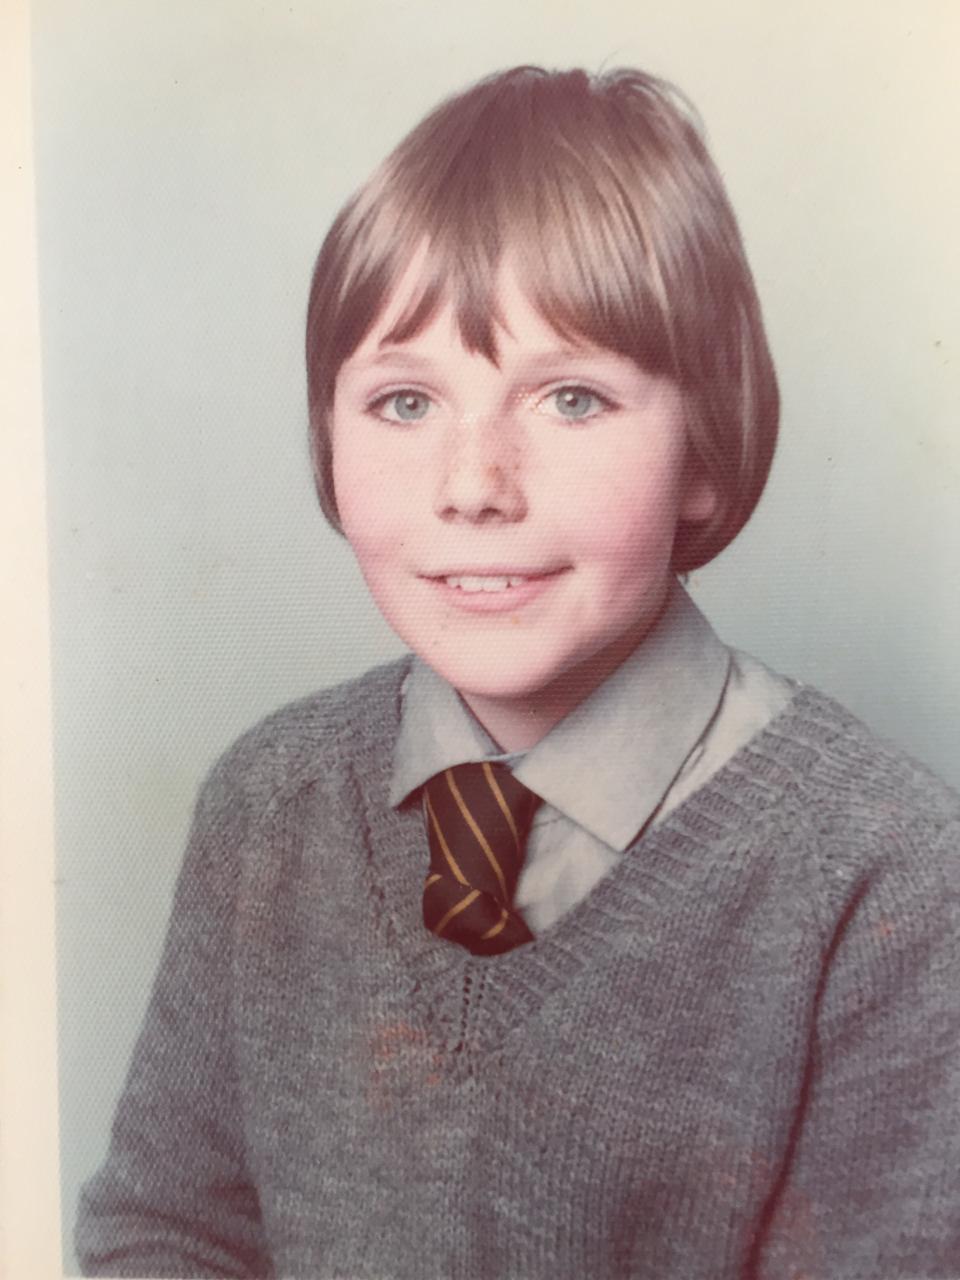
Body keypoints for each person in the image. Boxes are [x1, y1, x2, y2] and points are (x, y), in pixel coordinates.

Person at [75, 65, 960, 1279]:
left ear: (704, 449)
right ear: (328, 439)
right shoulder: (267, 803)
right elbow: (168, 1229)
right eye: (404, 401)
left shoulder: (884, 870)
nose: (474, 483)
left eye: (572, 398)